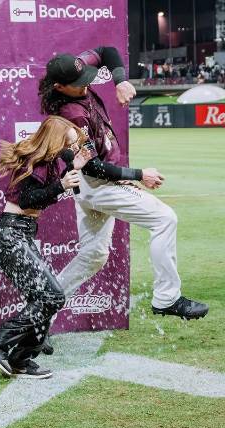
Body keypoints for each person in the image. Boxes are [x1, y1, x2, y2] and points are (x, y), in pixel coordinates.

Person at [38, 47, 208, 320]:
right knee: (164, 219)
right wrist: (139, 174)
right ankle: (167, 298)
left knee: (93, 255)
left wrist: (120, 81)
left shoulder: (76, 68)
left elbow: (106, 51)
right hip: (97, 184)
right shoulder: (71, 115)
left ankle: (39, 313)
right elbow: (92, 166)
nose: (86, 86)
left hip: (91, 185)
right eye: (78, 84)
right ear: (59, 87)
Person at [0, 116, 88, 379]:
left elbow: (42, 196)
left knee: (44, 298)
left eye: (74, 145)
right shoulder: (35, 162)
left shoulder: (46, 162)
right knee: (52, 297)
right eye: (69, 144)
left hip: (20, 234)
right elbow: (28, 199)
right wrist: (61, 185)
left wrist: (70, 172)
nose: (72, 149)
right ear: (56, 141)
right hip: (11, 235)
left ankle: (21, 360)